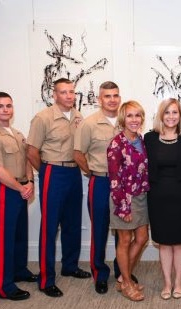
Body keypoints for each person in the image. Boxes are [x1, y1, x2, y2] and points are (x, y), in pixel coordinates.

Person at [27, 78, 91, 298]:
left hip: (73, 172)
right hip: (53, 172)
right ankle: (46, 279)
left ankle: (70, 266)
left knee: (72, 222)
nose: (69, 96)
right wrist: (45, 172)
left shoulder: (78, 117)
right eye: (63, 92)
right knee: (50, 227)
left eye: (72, 92)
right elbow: (31, 151)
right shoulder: (43, 118)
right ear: (54, 95)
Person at [0, 92, 37, 301]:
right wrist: (20, 188)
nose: (5, 109)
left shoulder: (16, 133)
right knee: (5, 238)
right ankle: (4, 286)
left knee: (20, 234)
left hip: (22, 187)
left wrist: (30, 182)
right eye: (0, 106)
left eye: (9, 106)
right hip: (6, 190)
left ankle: (19, 270)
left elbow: (27, 160)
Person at [144, 98, 181, 300]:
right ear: (161, 115)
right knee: (164, 242)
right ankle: (167, 283)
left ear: (180, 116)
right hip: (157, 197)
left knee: (180, 242)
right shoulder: (149, 138)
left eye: (175, 112)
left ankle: (179, 282)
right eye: (167, 112)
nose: (171, 116)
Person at [74, 81, 121, 295]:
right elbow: (78, 154)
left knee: (124, 230)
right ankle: (99, 274)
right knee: (99, 230)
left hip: (123, 184)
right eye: (107, 96)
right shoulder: (89, 124)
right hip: (100, 182)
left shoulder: (126, 120)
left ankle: (123, 271)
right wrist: (91, 172)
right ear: (99, 99)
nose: (112, 100)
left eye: (115, 95)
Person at [107, 101, 150, 302]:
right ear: (123, 119)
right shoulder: (116, 144)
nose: (134, 120)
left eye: (138, 116)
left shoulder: (141, 140)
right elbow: (115, 178)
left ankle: (123, 279)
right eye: (130, 116)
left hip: (141, 197)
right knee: (124, 240)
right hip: (123, 198)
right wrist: (123, 207)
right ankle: (126, 283)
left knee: (141, 238)